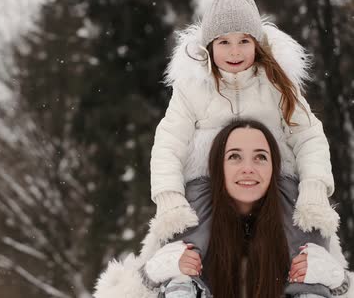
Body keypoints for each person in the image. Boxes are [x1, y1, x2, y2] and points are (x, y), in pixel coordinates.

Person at [146, 0, 339, 296]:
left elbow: (308, 136)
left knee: (298, 204)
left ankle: (307, 281)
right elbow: (169, 142)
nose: (234, 52)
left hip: (271, 174)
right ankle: (184, 281)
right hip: (211, 176)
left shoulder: (277, 84)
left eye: (243, 41)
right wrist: (169, 196)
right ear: (209, 46)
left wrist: (314, 186)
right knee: (193, 206)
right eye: (224, 42)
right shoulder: (192, 88)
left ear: (257, 44)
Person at [141, 120, 349, 297]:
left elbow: (343, 283)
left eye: (260, 157)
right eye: (234, 157)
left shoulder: (297, 217)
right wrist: (159, 270)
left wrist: (334, 278)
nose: (248, 168)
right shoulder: (191, 212)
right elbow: (126, 285)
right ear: (218, 167)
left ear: (274, 168)